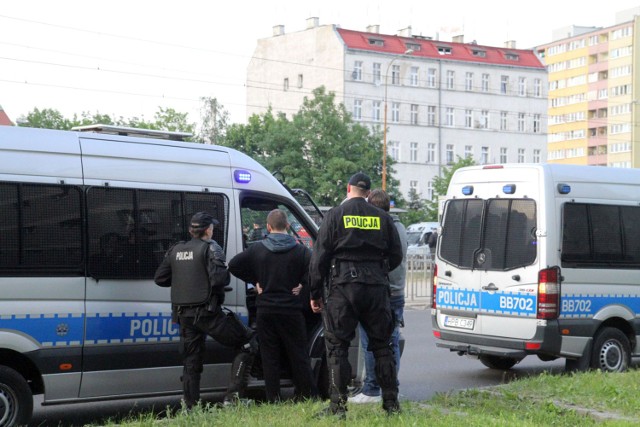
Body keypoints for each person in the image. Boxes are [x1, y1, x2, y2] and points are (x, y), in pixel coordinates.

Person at [309, 172, 403, 419]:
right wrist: (377, 270)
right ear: (369, 193)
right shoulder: (383, 218)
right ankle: (391, 404)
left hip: (343, 288)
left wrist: (315, 291)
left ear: (348, 188)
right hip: (376, 288)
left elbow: (319, 257)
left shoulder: (335, 215)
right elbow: (396, 255)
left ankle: (337, 408)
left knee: (337, 347)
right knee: (382, 346)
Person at [154, 212, 258, 409]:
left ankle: (190, 407)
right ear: (208, 229)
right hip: (208, 314)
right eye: (212, 227)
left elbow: (160, 278)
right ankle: (233, 399)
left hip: (184, 316)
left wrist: (185, 281)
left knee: (191, 361)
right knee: (247, 343)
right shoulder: (211, 248)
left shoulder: (176, 249)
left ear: (191, 230)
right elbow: (220, 279)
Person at [228, 209, 315, 403]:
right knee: (298, 354)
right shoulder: (300, 250)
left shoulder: (258, 249)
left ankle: (273, 397)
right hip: (291, 311)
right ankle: (305, 395)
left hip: (266, 310)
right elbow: (315, 269)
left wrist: (255, 281)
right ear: (286, 226)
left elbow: (233, 265)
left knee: (270, 356)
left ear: (268, 227)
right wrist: (302, 283)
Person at [349, 189, 407, 404]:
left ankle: (374, 389)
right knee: (390, 342)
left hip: (383, 291)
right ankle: (391, 387)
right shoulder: (398, 226)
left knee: (374, 343)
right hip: (396, 292)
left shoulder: (383, 228)